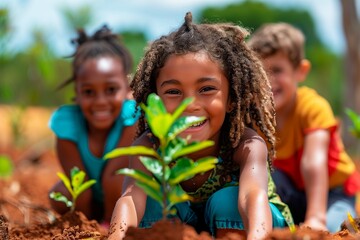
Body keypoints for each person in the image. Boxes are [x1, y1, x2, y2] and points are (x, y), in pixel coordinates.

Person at [108, 12, 293, 240]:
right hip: (189, 225)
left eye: (206, 89)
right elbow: (130, 199)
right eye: (174, 92)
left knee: (226, 202)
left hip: (258, 225)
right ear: (154, 99)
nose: (190, 105)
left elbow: (251, 197)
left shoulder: (245, 145)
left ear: (231, 99)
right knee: (153, 202)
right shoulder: (150, 147)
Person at [248, 22, 360, 232]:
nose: (269, 81)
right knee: (264, 174)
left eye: (277, 70)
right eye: (261, 73)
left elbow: (313, 162)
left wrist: (316, 217)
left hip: (332, 192)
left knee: (339, 227)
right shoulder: (256, 117)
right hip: (292, 191)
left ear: (301, 70)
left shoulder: (312, 107)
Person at [48, 25, 140, 227]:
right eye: (89, 92)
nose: (100, 101)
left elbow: (114, 175)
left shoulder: (131, 116)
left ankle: (111, 222)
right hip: (88, 200)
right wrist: (87, 224)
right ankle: (84, 223)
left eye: (111, 89)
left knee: (118, 179)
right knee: (61, 192)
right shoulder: (67, 123)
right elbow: (78, 180)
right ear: (77, 92)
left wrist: (107, 224)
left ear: (128, 88)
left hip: (121, 195)